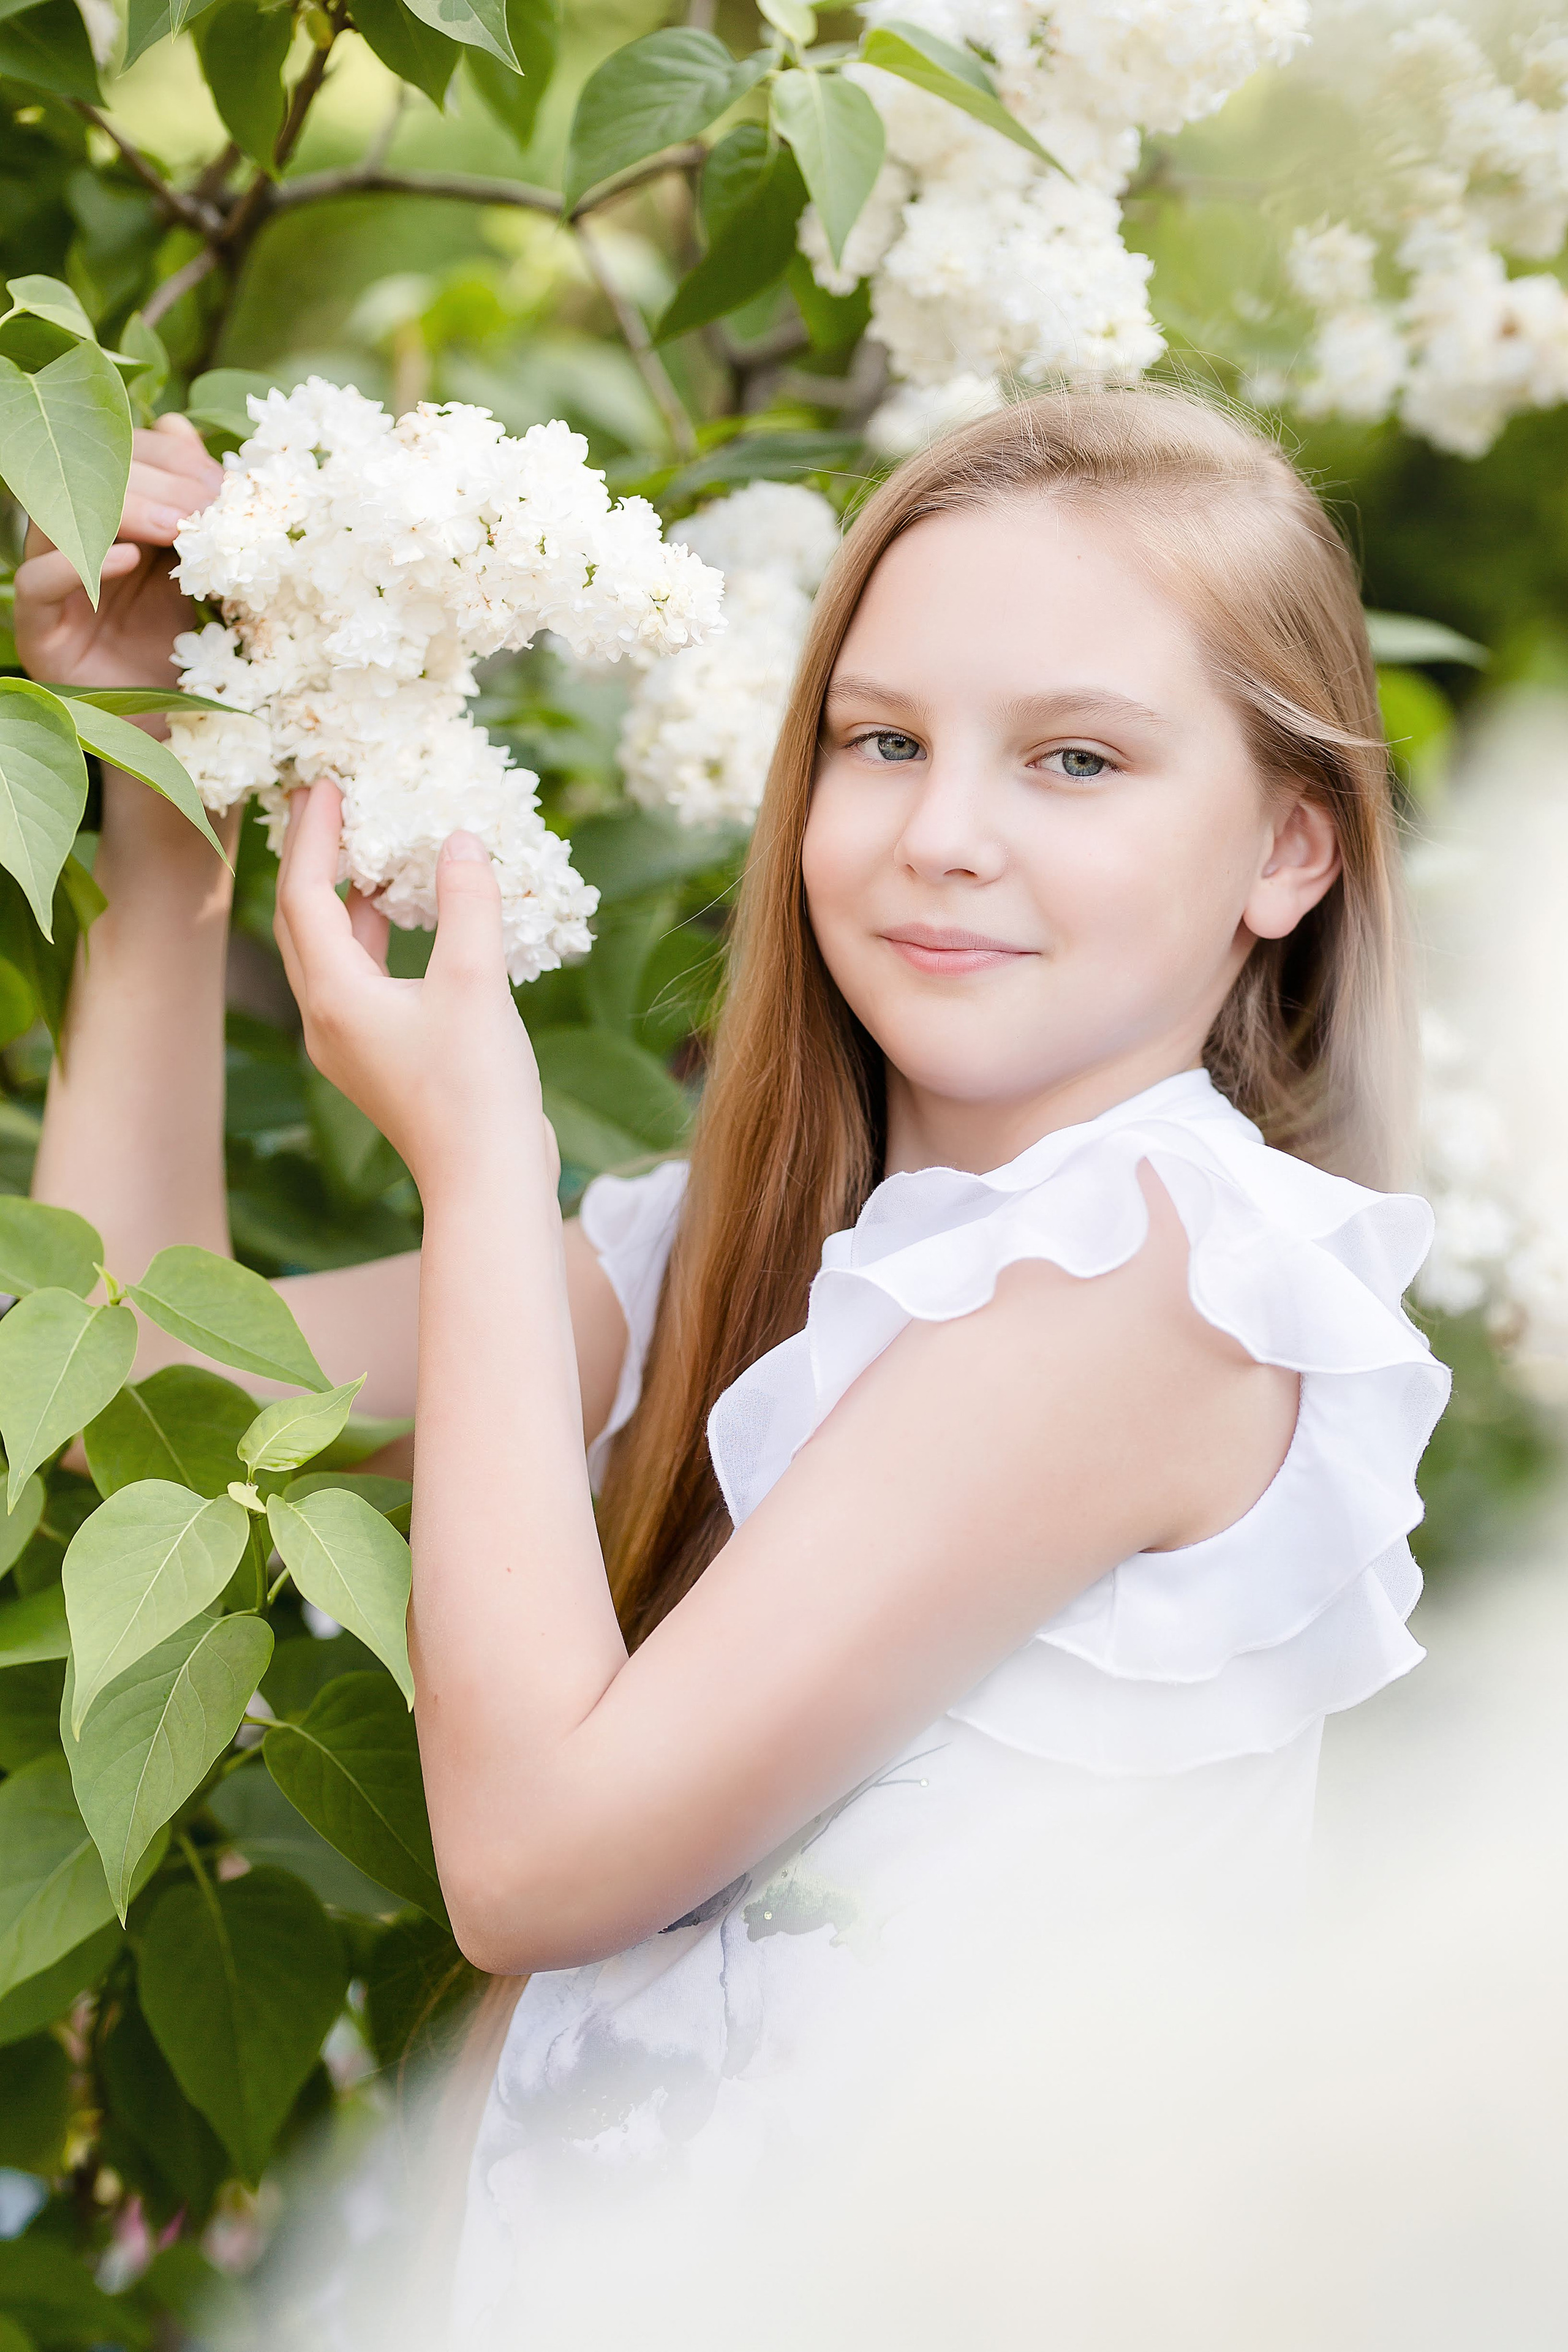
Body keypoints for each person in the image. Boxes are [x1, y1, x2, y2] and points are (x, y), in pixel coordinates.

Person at [16, 387, 1449, 2334]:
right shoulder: (740, 1240)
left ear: (1289, 851)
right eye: (882, 740)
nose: (944, 834)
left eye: (1078, 759)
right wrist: (169, 773)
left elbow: (535, 1866)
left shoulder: (1161, 1280)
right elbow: (142, 1390)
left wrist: (481, 1159)